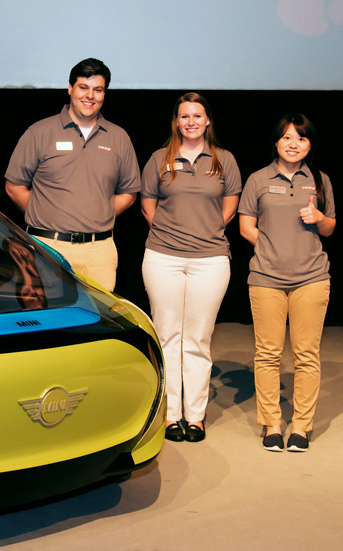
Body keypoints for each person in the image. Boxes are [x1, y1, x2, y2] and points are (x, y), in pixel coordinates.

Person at [140, 93, 242, 443]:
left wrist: (203, 232)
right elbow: (147, 205)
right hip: (163, 258)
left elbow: (230, 207)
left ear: (208, 120)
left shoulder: (224, 160)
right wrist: (172, 234)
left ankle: (195, 417)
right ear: (177, 121)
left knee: (198, 339)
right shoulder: (159, 158)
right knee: (168, 335)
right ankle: (170, 417)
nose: (191, 122)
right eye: (184, 116)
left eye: (197, 116)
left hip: (210, 259)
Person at [238, 113, 335, 453]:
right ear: (276, 142)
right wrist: (267, 247)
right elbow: (246, 225)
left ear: (309, 144)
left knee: (307, 354)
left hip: (311, 277)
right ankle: (272, 424)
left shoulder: (319, 181)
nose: (294, 144)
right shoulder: (257, 180)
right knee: (268, 354)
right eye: (287, 138)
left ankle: (302, 427)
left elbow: (329, 228)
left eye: (302, 138)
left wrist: (319, 218)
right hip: (266, 278)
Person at [4, 58, 140, 291]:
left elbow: (129, 191)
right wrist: (47, 214)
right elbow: (14, 186)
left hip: (99, 252)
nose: (90, 96)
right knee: (48, 321)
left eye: (98, 90)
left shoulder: (119, 138)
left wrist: (99, 213)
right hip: (47, 247)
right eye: (83, 88)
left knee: (97, 322)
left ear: (104, 94)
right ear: (70, 89)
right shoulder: (39, 133)